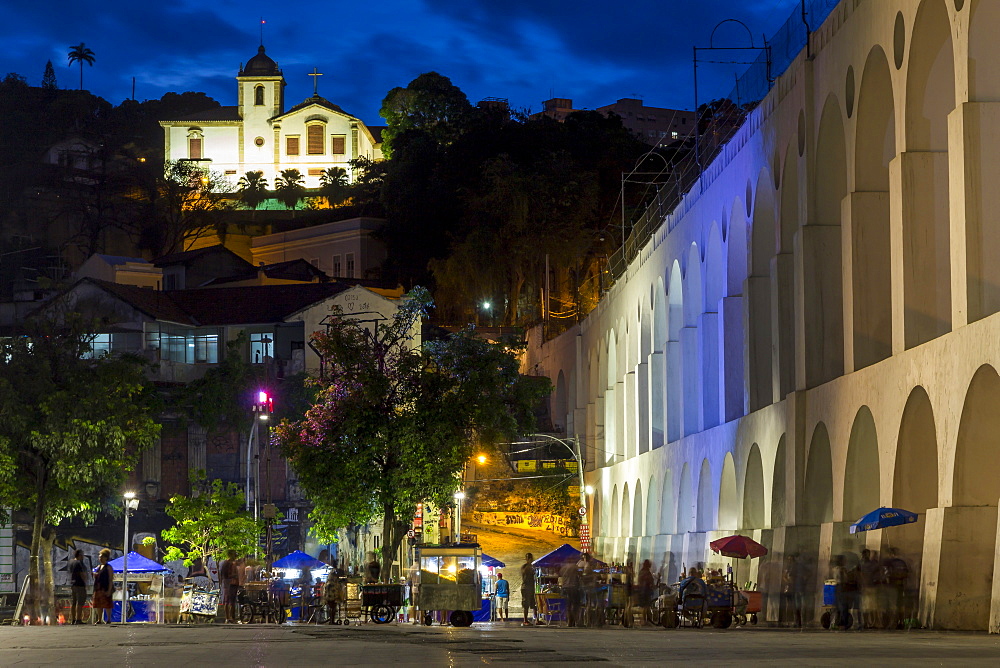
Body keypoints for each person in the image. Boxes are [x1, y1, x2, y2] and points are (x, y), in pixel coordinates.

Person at [858, 549, 881, 629]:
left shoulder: (863, 564)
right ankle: (870, 623)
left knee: (868, 607)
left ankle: (868, 622)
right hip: (869, 587)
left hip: (867, 587)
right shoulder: (872, 564)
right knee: (869, 607)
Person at [92, 548, 114, 624]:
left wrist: (109, 590)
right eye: (99, 557)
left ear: (105, 557)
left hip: (105, 587)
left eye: (101, 557)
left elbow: (110, 579)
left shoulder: (108, 567)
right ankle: (99, 619)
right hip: (98, 588)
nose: (100, 558)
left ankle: (108, 619)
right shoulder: (98, 567)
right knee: (98, 604)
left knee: (107, 604)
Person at [219, 549, 240, 624]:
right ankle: (229, 617)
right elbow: (225, 574)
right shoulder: (228, 563)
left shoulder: (227, 563)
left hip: (229, 584)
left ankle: (230, 618)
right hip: (230, 584)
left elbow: (222, 575)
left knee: (229, 601)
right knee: (229, 601)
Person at [69, 549, 89, 625]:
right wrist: (85, 583)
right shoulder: (79, 563)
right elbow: (82, 574)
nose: (83, 557)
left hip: (73, 584)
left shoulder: (71, 562)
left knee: (74, 603)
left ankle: (73, 619)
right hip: (80, 585)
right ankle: (78, 619)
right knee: (80, 602)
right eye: (82, 555)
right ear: (80, 555)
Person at [559, 558, 580, 627]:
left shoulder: (564, 568)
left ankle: (569, 621)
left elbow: (560, 576)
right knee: (574, 605)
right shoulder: (574, 566)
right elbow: (580, 575)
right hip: (573, 587)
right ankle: (573, 621)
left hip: (565, 588)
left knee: (568, 605)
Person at [520, 553, 538, 626]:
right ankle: (525, 620)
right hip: (526, 587)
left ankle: (536, 619)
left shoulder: (526, 567)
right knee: (526, 604)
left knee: (533, 604)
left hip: (529, 587)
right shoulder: (527, 567)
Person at [637, 559, 655, 625]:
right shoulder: (647, 572)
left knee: (644, 607)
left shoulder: (641, 572)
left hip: (642, 590)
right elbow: (650, 581)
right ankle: (644, 620)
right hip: (645, 591)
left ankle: (644, 620)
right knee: (646, 606)